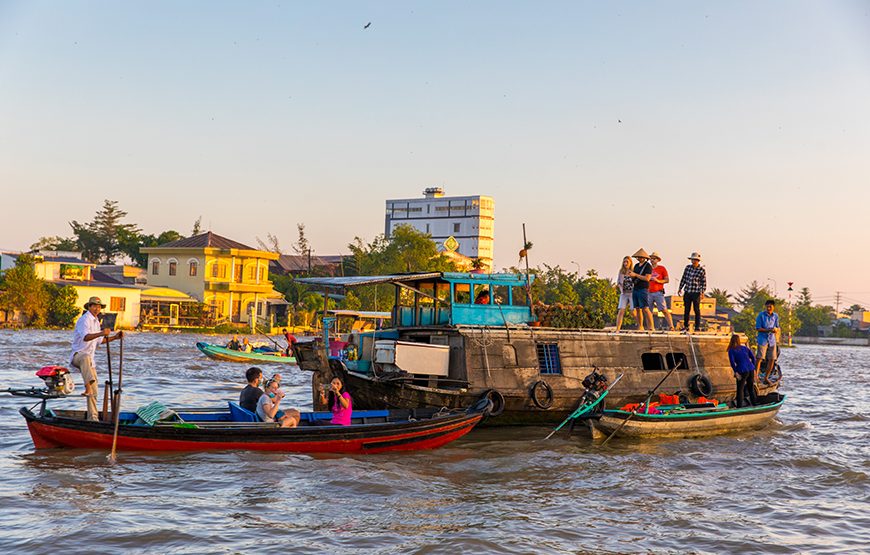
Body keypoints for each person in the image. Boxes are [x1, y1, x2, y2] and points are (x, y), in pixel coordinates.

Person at [69, 297, 123, 421]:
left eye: (99, 307)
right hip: (78, 356)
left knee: (94, 392)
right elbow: (86, 337)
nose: (97, 309)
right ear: (89, 307)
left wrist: (115, 337)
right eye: (94, 306)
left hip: (89, 361)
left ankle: (92, 418)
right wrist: (101, 333)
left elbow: (100, 341)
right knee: (86, 357)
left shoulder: (96, 321)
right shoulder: (85, 320)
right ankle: (87, 386)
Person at [678, 252, 707, 332]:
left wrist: (702, 292)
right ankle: (686, 326)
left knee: (696, 310)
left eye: (695, 260)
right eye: (692, 260)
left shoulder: (701, 270)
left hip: (696, 292)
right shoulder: (688, 268)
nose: (693, 261)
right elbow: (684, 278)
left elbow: (703, 282)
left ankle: (697, 326)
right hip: (688, 291)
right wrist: (680, 288)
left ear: (698, 261)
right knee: (686, 309)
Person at [727, 334, 757, 407]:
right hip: (750, 369)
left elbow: (732, 362)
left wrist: (736, 372)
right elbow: (753, 358)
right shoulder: (745, 348)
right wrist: (753, 366)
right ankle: (755, 404)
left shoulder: (731, 350)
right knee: (751, 388)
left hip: (742, 370)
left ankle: (739, 407)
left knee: (740, 389)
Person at [628, 249, 654, 331]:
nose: (638, 258)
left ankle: (651, 327)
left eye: (640, 257)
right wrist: (631, 275)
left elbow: (647, 278)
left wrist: (635, 274)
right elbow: (635, 277)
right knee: (637, 308)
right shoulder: (636, 266)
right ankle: (640, 326)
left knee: (645, 308)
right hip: (635, 288)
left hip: (643, 288)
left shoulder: (648, 266)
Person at [648, 252, 675, 331]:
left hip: (658, 292)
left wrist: (658, 281)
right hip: (648, 292)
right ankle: (650, 327)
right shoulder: (647, 268)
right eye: (651, 258)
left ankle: (671, 326)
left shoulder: (662, 268)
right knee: (648, 311)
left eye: (654, 259)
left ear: (658, 260)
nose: (652, 260)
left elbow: (667, 280)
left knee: (664, 309)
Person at [755, 300, 780, 383]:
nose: (769, 308)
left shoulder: (775, 316)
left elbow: (777, 327)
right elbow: (758, 328)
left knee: (772, 359)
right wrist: (768, 330)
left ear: (773, 307)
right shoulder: (761, 315)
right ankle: (756, 377)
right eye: (767, 307)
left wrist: (776, 332)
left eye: (770, 306)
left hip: (772, 340)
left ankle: (766, 377)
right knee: (760, 358)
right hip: (762, 339)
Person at [614, 256, 634, 331]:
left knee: (633, 311)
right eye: (624, 262)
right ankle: (618, 329)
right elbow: (618, 282)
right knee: (621, 310)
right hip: (624, 293)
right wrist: (621, 288)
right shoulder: (621, 271)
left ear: (630, 263)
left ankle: (640, 325)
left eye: (627, 262)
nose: (625, 263)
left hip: (632, 293)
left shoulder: (633, 271)